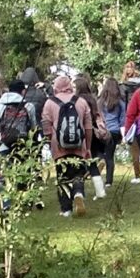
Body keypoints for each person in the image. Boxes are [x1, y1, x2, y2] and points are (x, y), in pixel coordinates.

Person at [42, 68, 91, 214]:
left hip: (59, 146)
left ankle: (66, 209)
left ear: (56, 87)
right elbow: (88, 127)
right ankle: (78, 193)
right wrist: (87, 147)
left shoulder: (50, 103)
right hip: (79, 145)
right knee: (78, 173)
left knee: (62, 176)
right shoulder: (81, 102)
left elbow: (46, 125)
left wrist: (50, 141)